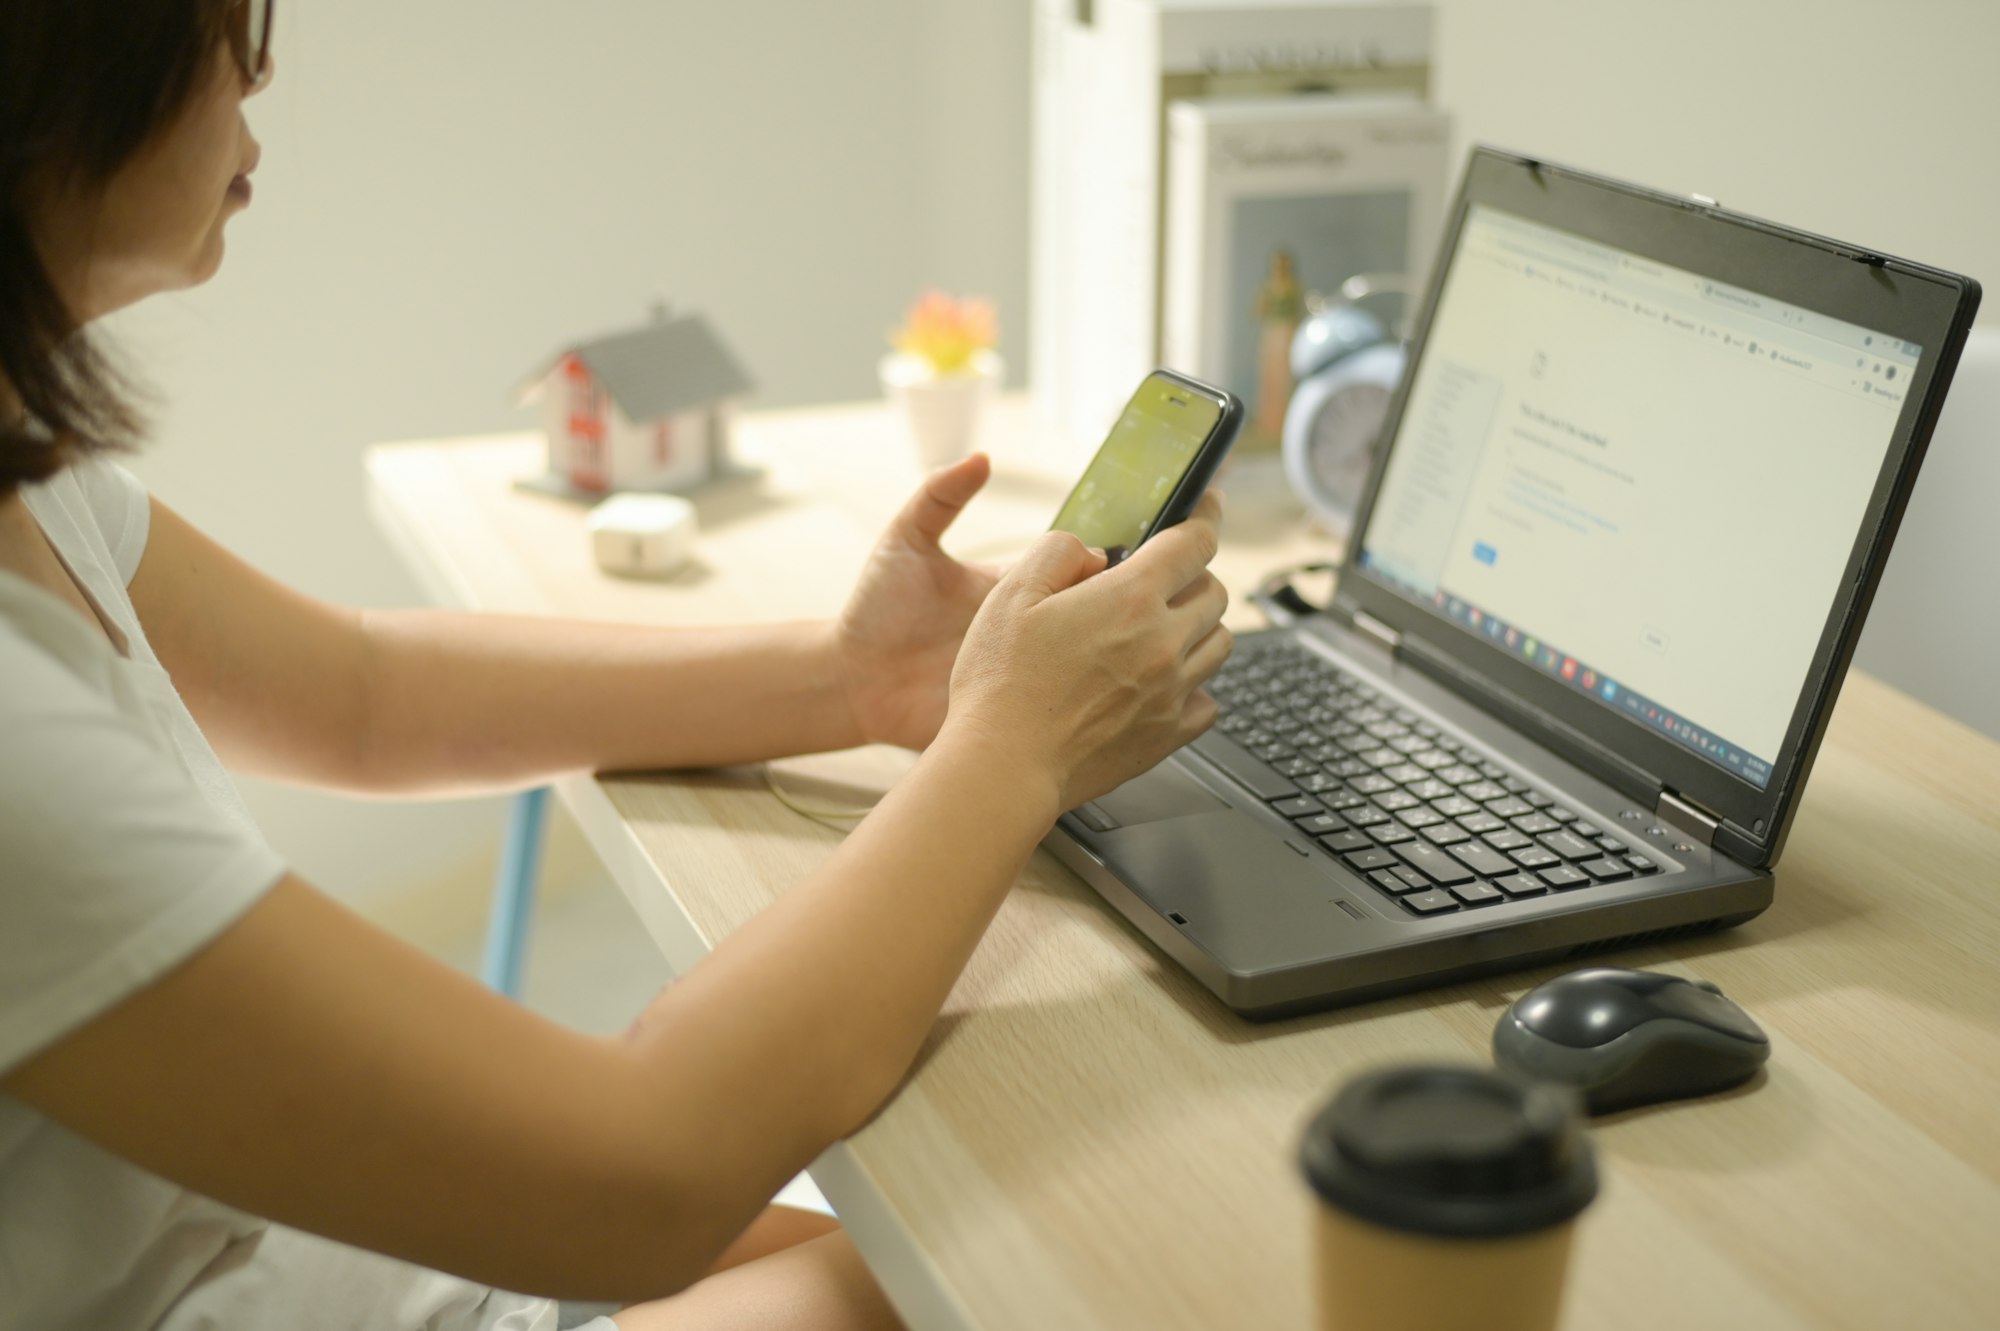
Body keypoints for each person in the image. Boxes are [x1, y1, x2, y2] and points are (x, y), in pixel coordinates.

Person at [0, 3, 1231, 1329]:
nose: (259, 66)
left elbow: (364, 694)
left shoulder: (34, 479)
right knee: (992, 1270)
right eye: (209, 25)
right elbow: (644, 1171)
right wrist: (1012, 751)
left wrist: (854, 680)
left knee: (930, 1242)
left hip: (268, 1260)